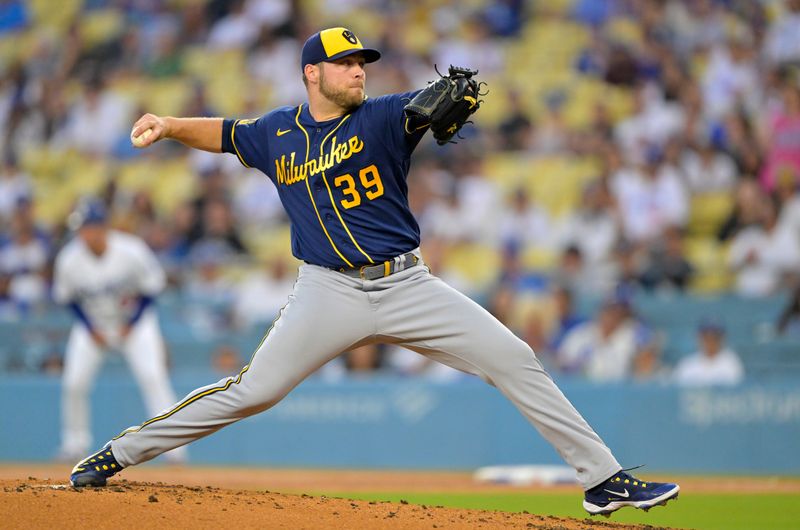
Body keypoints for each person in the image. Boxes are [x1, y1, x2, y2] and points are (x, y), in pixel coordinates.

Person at [69, 27, 679, 517]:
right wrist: (173, 126)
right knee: (254, 391)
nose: (358, 70)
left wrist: (436, 109)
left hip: (407, 284)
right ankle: (118, 453)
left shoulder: (385, 116)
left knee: (513, 356)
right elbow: (227, 133)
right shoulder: (277, 132)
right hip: (327, 290)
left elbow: (418, 113)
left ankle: (603, 480)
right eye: (344, 62)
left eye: (362, 62)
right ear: (313, 72)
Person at [54, 198, 186, 464]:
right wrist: (91, 328)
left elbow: (152, 288)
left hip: (135, 324)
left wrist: (131, 323)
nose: (84, 234)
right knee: (74, 382)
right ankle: (74, 443)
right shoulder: (69, 259)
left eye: (88, 227)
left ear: (101, 227)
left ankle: (175, 449)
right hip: (93, 326)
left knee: (153, 377)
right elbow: (67, 299)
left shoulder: (131, 250)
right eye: (81, 229)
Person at [673, 320, 744, 387]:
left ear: (722, 338)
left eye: (714, 337)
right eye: (706, 336)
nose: (710, 341)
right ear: (699, 337)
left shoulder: (731, 362)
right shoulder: (687, 364)